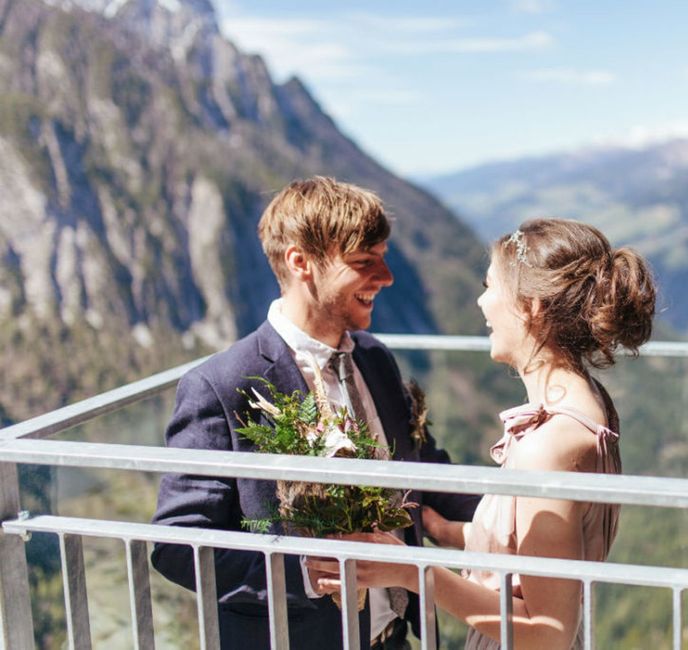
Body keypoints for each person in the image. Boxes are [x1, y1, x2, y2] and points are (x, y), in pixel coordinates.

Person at [150, 176, 480, 650]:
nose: (386, 277)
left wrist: (519, 514)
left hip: (397, 638)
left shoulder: (375, 358)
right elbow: (179, 545)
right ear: (301, 262)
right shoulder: (222, 386)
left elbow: (424, 469)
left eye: (384, 257)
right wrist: (304, 570)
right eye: (365, 262)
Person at [308, 218, 657, 649]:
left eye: (491, 286)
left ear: (530, 305)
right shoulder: (586, 405)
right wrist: (440, 527)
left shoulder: (548, 447)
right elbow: (534, 545)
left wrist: (409, 570)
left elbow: (546, 634)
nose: (481, 301)